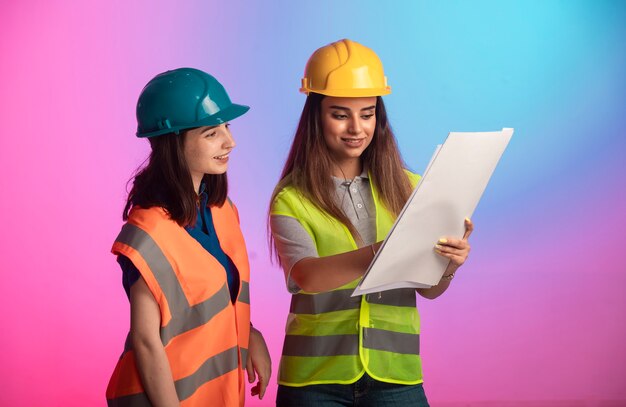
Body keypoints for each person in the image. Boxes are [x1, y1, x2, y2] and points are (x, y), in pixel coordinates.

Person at [269, 39, 473, 406]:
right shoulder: (292, 198)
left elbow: (428, 289)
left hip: (396, 375)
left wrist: (447, 264)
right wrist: (386, 250)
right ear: (316, 114)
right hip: (315, 381)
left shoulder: (411, 189)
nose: (356, 127)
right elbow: (307, 277)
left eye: (367, 113)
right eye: (340, 113)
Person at [107, 68, 271, 407]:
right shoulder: (148, 234)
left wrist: (250, 332)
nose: (230, 141)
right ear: (172, 142)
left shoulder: (220, 209)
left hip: (219, 394)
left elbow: (219, 294)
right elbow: (147, 341)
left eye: (228, 127)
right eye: (212, 133)